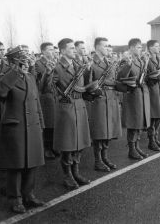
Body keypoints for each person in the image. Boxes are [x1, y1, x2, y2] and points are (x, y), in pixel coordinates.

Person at [0, 46, 45, 213]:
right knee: (16, 165)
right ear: (14, 61)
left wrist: (41, 123)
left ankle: (28, 194)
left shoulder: (30, 77)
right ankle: (15, 199)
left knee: (32, 163)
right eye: (23, 59)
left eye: (28, 58)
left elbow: (36, 101)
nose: (27, 62)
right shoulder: (4, 77)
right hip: (15, 126)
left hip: (33, 125)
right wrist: (15, 72)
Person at [44, 38, 91, 189]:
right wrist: (48, 73)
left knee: (80, 143)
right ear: (62, 51)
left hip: (79, 106)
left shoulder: (77, 65)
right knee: (68, 144)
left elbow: (83, 86)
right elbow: (46, 87)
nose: (74, 50)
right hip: (67, 108)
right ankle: (67, 175)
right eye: (71, 48)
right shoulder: (57, 67)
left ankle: (76, 172)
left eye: (74, 48)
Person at [84, 37, 126, 172]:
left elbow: (114, 80)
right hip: (99, 99)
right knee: (100, 130)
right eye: (105, 46)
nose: (108, 48)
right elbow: (87, 85)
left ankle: (105, 157)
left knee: (109, 130)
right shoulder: (91, 63)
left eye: (109, 46)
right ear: (97, 48)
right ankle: (98, 160)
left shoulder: (109, 62)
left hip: (111, 98)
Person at [117, 38, 150, 160]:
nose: (140, 49)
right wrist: (128, 65)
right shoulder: (126, 60)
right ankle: (131, 149)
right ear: (131, 48)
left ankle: (136, 146)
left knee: (140, 122)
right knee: (133, 123)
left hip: (140, 94)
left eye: (141, 47)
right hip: (132, 95)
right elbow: (120, 77)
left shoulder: (141, 61)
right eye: (138, 47)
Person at [35, 42, 57, 159]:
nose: (52, 52)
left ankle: (53, 146)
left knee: (54, 123)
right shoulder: (38, 64)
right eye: (49, 50)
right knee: (48, 123)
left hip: (55, 95)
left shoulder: (56, 62)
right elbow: (40, 84)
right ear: (43, 52)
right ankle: (46, 148)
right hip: (46, 97)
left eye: (53, 49)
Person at [145, 40, 160, 151]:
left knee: (159, 116)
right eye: (156, 46)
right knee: (153, 117)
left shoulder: (159, 59)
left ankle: (156, 138)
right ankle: (151, 141)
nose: (159, 48)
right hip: (152, 90)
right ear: (150, 48)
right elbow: (145, 76)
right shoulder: (147, 59)